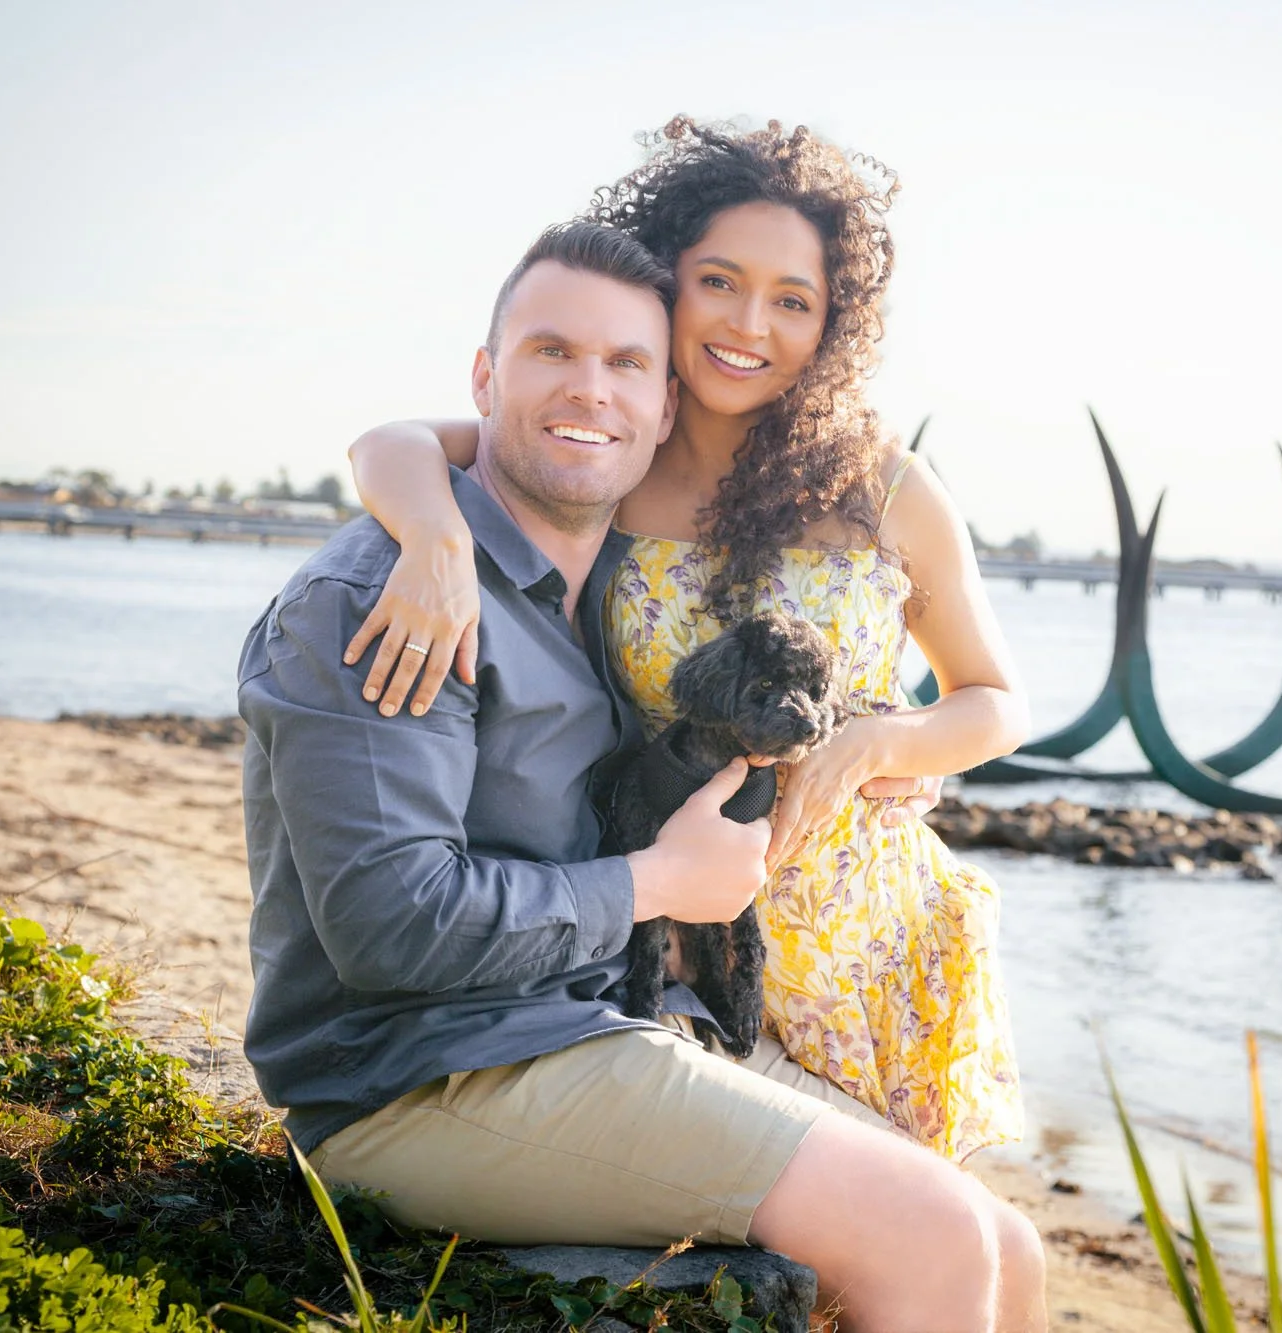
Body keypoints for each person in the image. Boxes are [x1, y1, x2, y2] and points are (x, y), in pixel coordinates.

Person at [239, 220, 1046, 1331]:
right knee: (932, 1233)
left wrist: (885, 744)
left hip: (581, 1021)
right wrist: (656, 883)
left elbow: (962, 691)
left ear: (668, 407)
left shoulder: (600, 577)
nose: (591, 391)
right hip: (416, 1081)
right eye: (550, 354)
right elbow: (390, 931)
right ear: (484, 377)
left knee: (1008, 1243)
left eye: (627, 364)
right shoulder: (393, 601)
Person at [347, 118, 1029, 1160]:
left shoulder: (880, 481)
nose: (748, 324)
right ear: (668, 276)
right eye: (718, 280)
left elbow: (992, 701)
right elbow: (389, 443)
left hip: (872, 942)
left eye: (792, 301)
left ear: (830, 323)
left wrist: (875, 746)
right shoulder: (610, 455)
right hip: (673, 943)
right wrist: (434, 536)